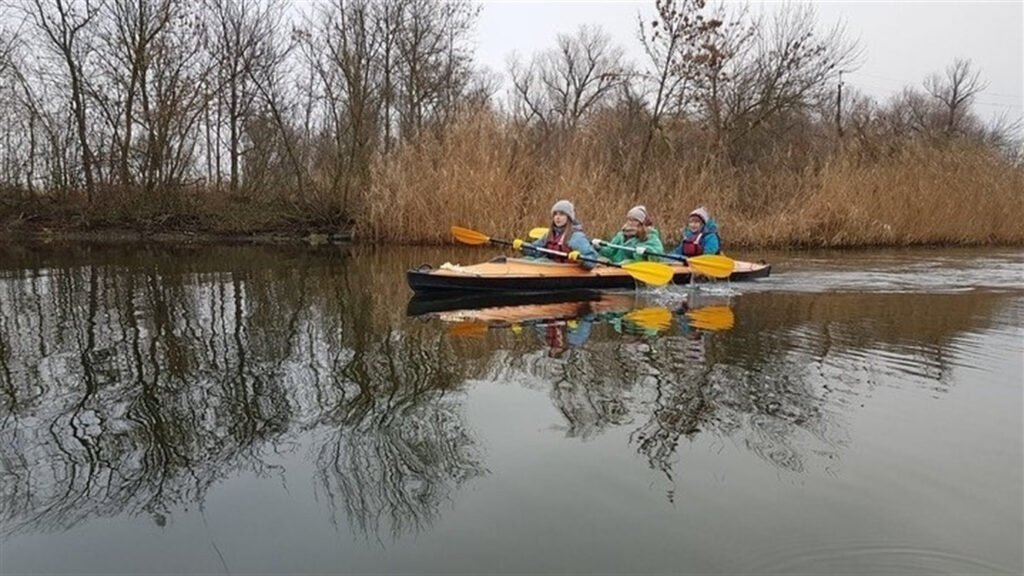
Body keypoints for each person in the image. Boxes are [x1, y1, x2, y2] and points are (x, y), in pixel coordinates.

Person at [522, 200, 599, 269]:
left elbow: (591, 260)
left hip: (568, 271)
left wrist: (580, 258)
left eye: (561, 214)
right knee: (527, 259)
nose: (557, 217)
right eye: (555, 214)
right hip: (552, 268)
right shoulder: (549, 234)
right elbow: (536, 252)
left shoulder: (576, 237)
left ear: (568, 218)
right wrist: (523, 246)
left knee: (541, 261)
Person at [591, 205, 664, 263]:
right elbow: (611, 251)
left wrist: (646, 251)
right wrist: (599, 247)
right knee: (600, 260)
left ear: (641, 223)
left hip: (634, 266)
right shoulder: (621, 235)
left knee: (627, 262)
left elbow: (657, 254)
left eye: (634, 220)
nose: (630, 222)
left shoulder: (650, 236)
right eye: (629, 219)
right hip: (616, 265)